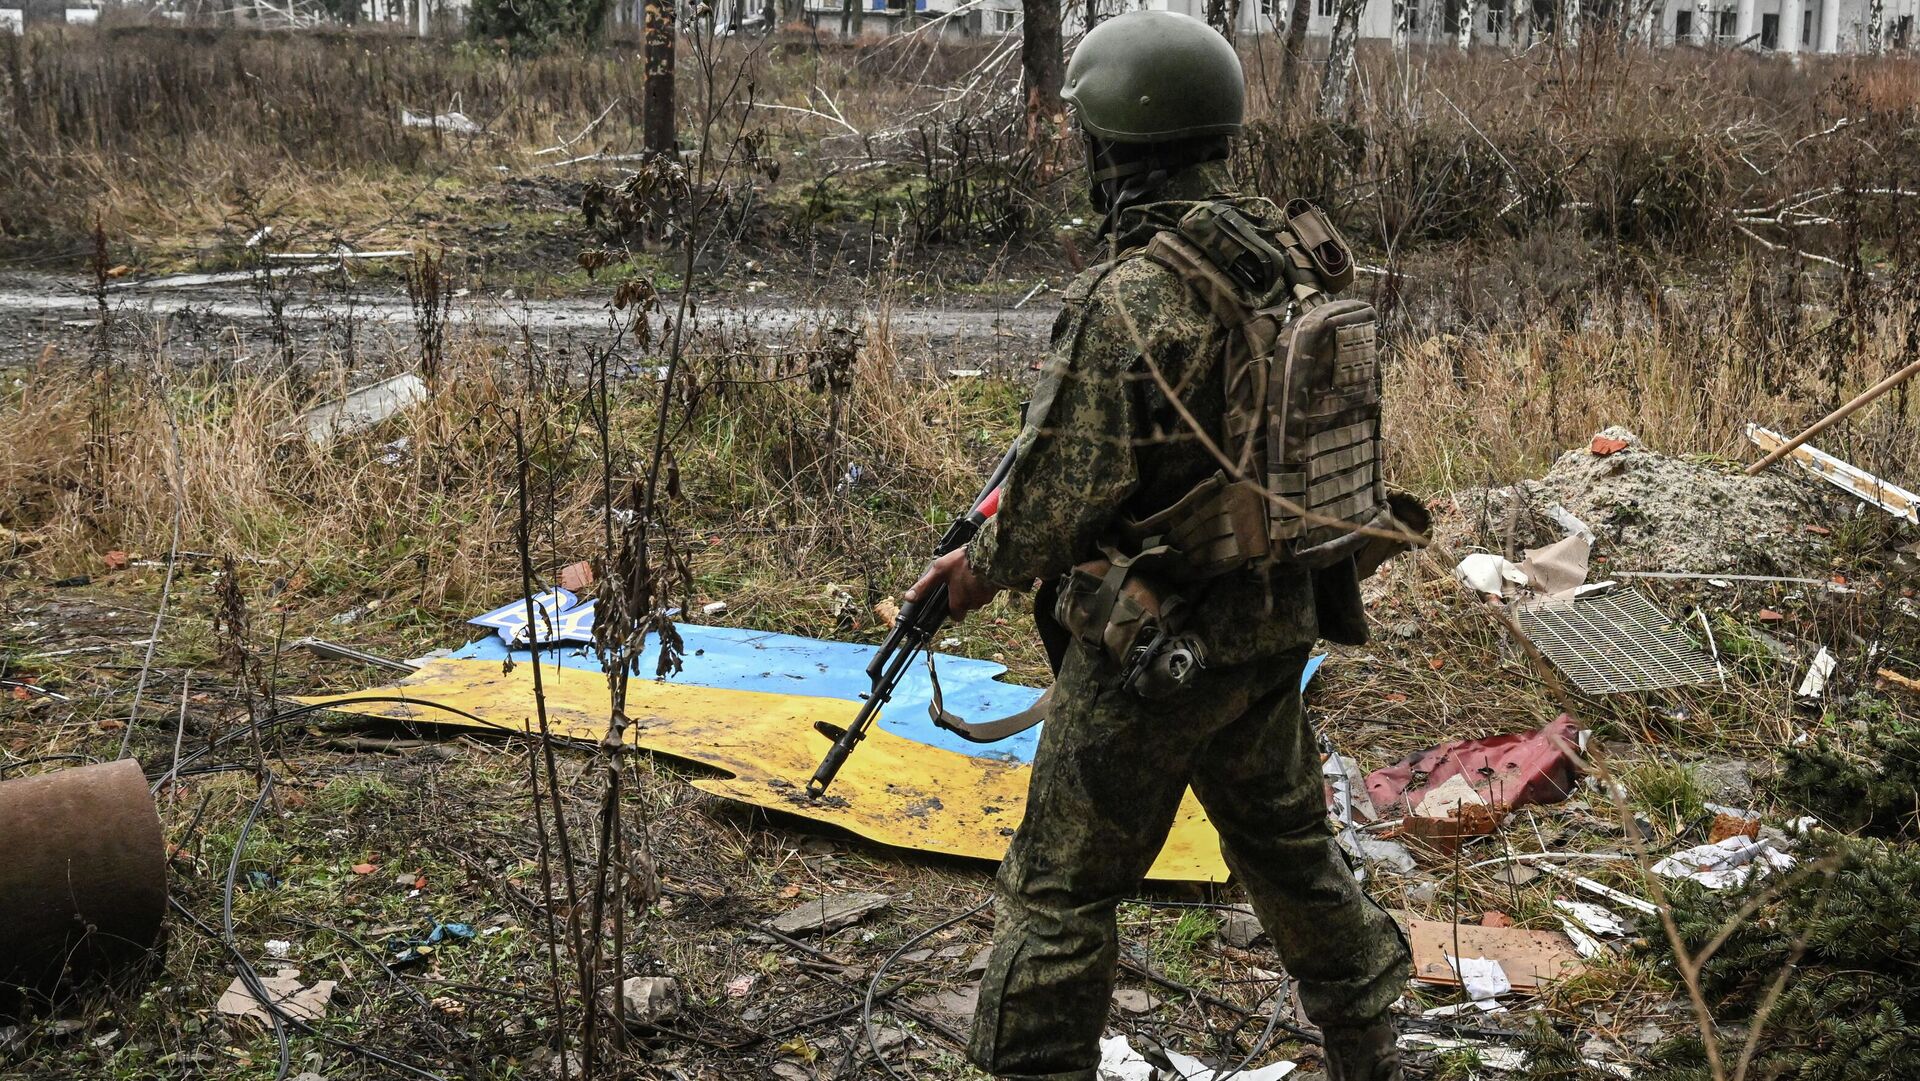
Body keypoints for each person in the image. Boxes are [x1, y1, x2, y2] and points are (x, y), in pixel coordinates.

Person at [902, 10, 1413, 1081]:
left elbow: (1046, 508)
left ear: (1114, 146)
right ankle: (1372, 1043)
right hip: (1277, 622)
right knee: (1289, 848)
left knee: (1060, 889)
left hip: (1158, 649)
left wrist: (969, 575)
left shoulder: (1131, 299)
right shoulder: (1292, 253)